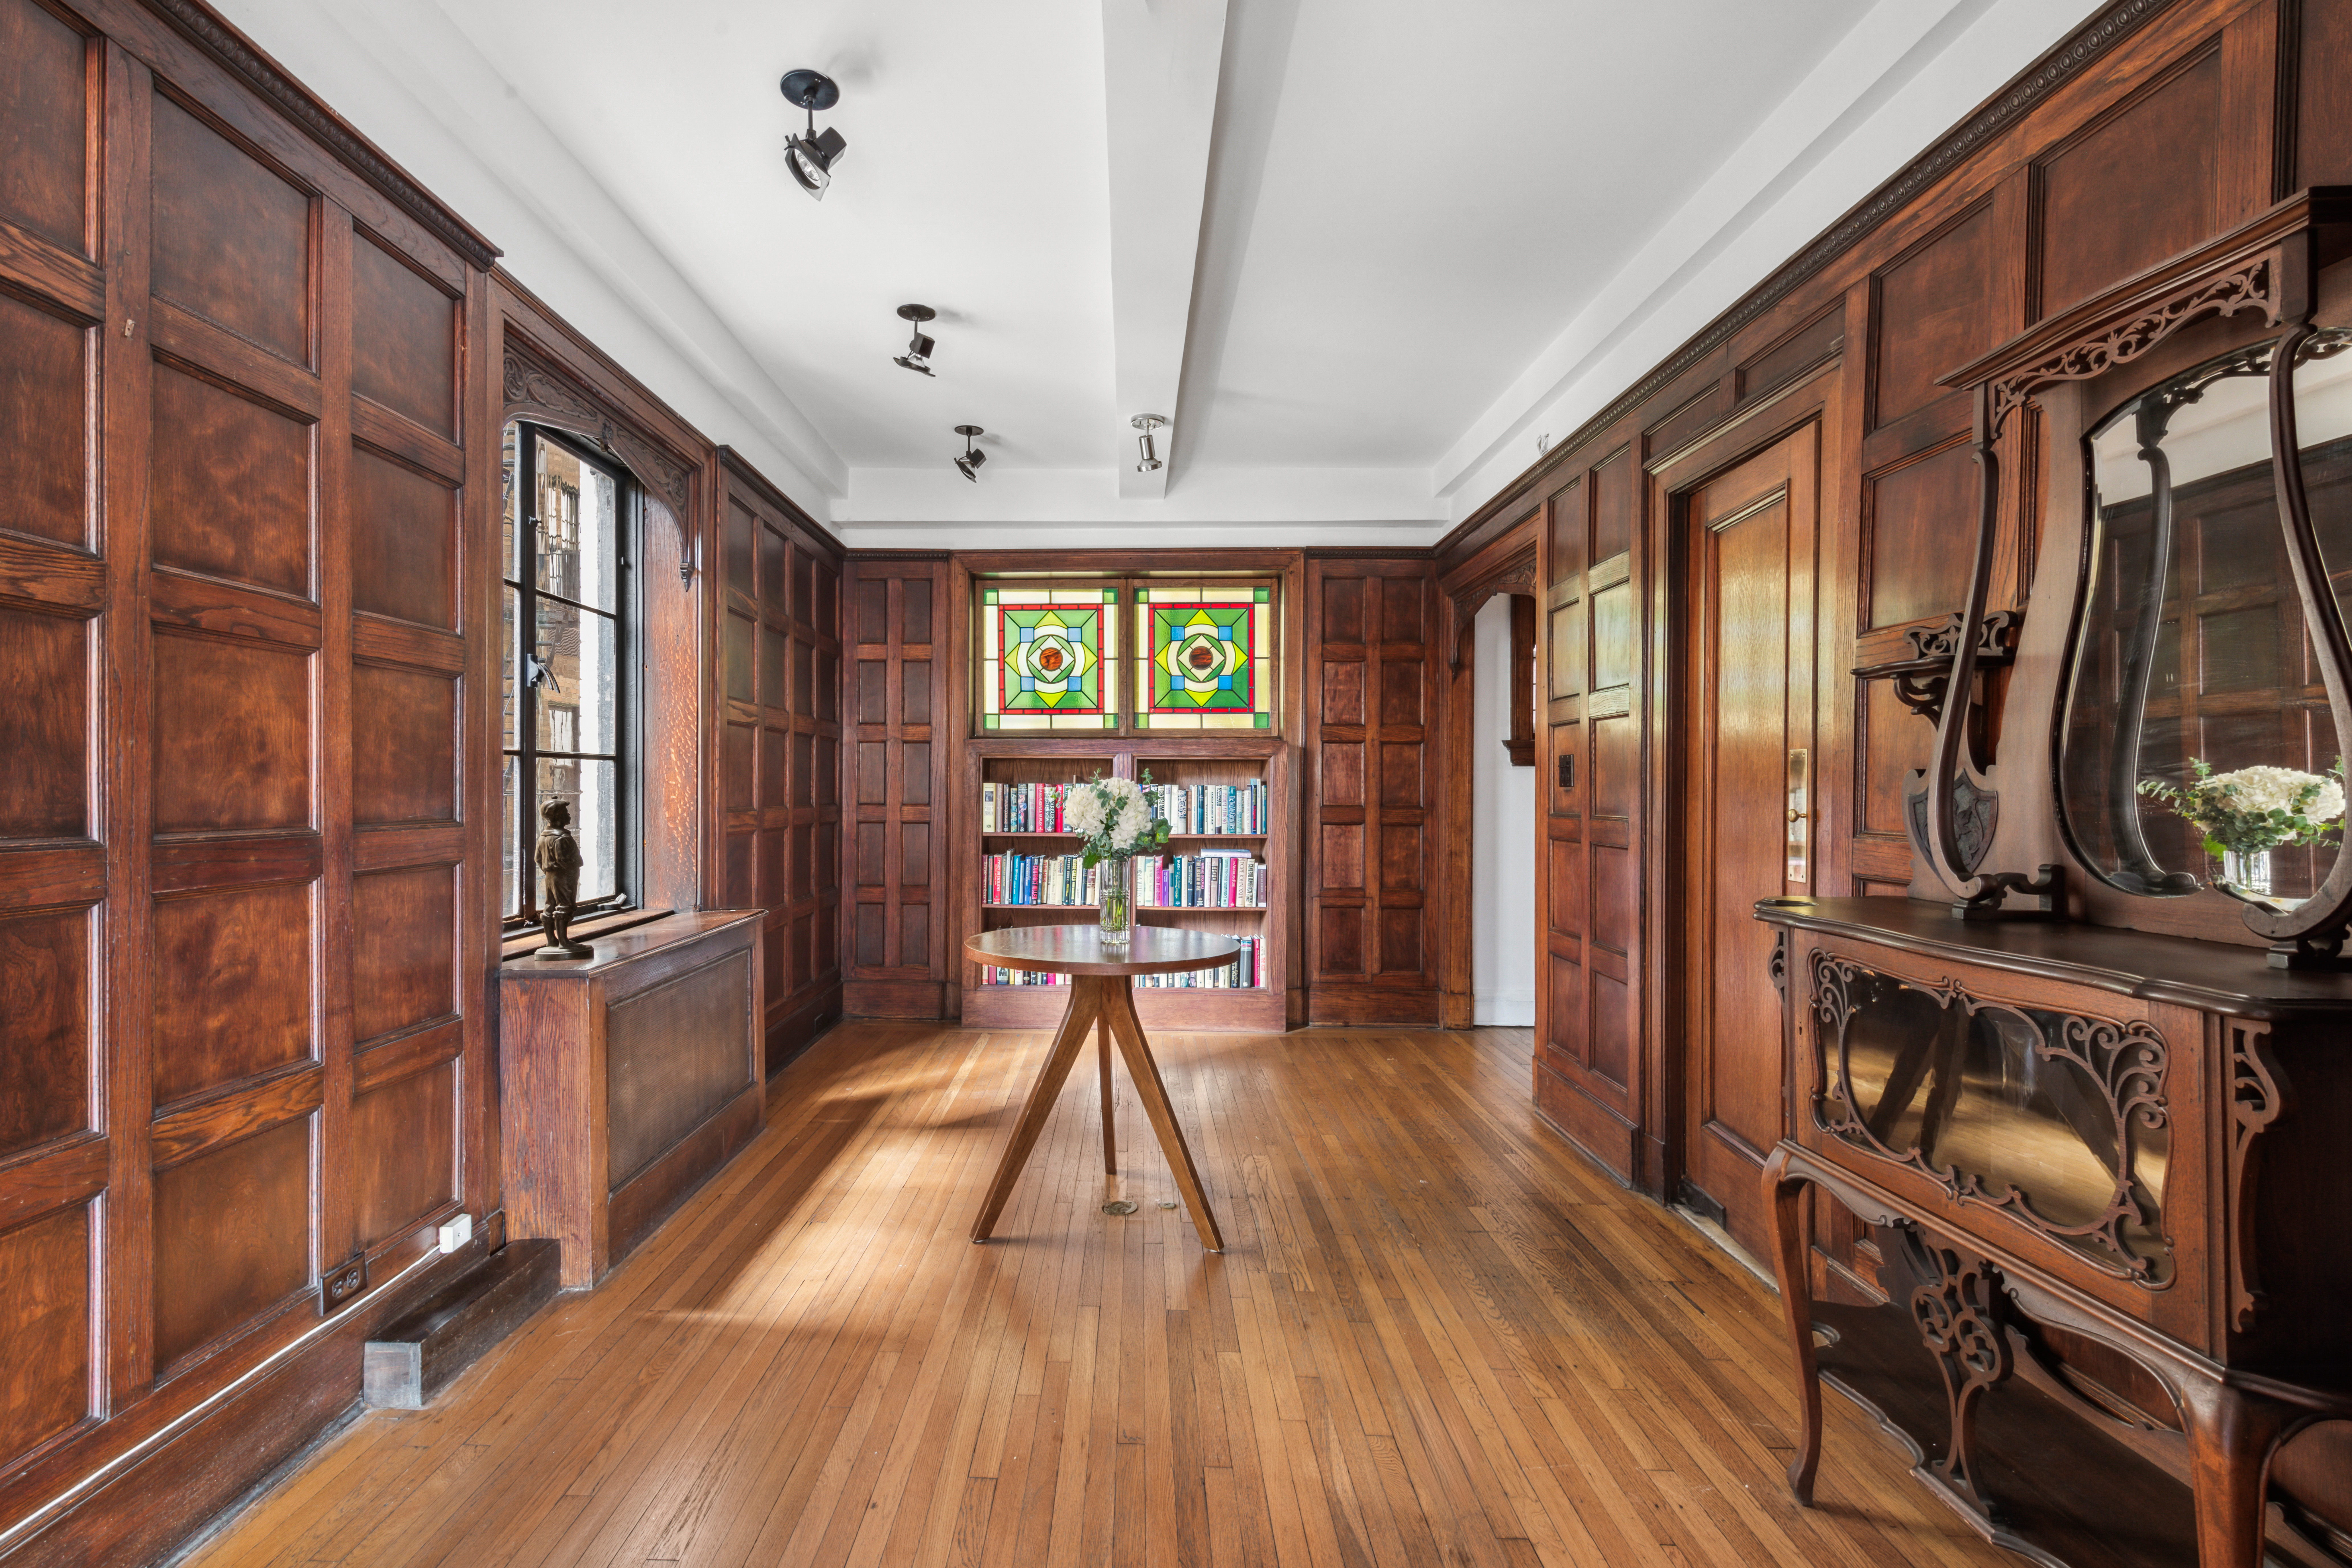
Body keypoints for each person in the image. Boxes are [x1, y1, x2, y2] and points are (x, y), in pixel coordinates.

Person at [533, 799, 592, 958]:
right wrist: (574, 865)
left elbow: (538, 859)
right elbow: (564, 860)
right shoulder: (562, 838)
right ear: (558, 816)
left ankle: (552, 940)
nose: (569, 815)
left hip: (550, 877)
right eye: (566, 813)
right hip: (564, 877)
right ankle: (564, 942)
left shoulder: (543, 837)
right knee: (564, 906)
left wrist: (549, 871)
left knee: (550, 906)